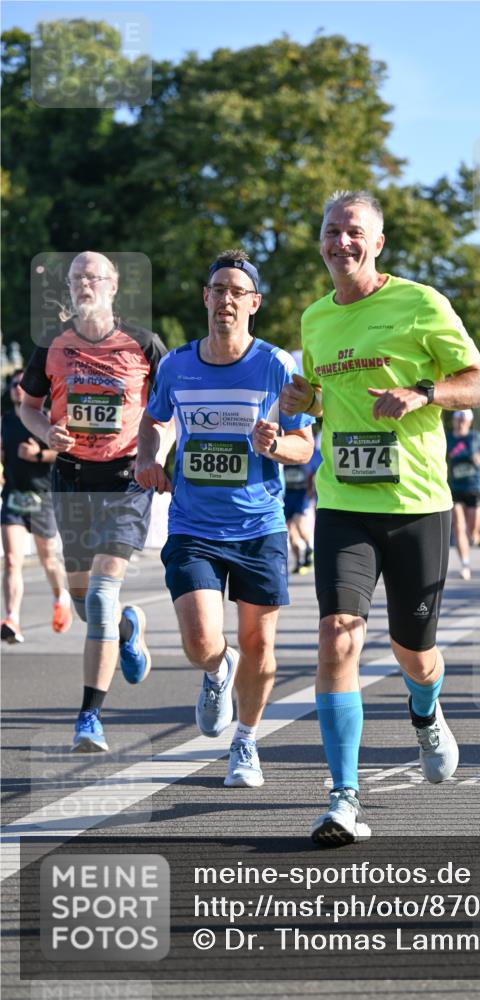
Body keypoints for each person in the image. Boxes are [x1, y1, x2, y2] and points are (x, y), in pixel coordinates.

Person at [280, 189, 480, 844]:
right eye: (329, 231)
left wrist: (422, 392)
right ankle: (343, 797)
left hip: (416, 505)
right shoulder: (315, 319)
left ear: (376, 243)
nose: (339, 242)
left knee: (415, 653)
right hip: (344, 500)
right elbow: (322, 397)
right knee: (338, 635)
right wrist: (303, 396)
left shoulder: (420, 304)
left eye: (352, 232)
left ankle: (426, 712)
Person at [136, 250, 314, 789]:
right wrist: (149, 459)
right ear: (206, 298)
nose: (227, 300)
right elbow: (153, 420)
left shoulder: (277, 365)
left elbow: (306, 446)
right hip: (193, 525)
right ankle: (217, 670)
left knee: (259, 645)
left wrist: (277, 444)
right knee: (198, 639)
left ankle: (246, 742)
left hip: (259, 526)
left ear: (254, 304)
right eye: (218, 289)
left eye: (238, 292)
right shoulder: (176, 365)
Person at [19, 252, 169, 751]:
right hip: (71, 481)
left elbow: (167, 411)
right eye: (76, 278)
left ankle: (89, 717)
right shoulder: (52, 345)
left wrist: (156, 454)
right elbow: (29, 406)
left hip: (126, 482)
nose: (85, 284)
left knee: (101, 599)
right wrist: (48, 433)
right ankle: (130, 627)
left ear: (113, 286)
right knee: (88, 607)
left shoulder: (144, 345)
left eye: (94, 277)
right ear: (68, 287)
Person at [1, 370, 71, 643]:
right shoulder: (5, 421)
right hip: (14, 497)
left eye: (22, 384)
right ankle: (11, 619)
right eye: (13, 385)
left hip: (43, 498)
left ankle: (60, 595)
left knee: (48, 559)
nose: (17, 388)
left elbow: (64, 451)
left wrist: (38, 454)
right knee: (11, 560)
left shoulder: (47, 420)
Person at [446, 409, 480, 578]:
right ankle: (465, 564)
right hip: (455, 487)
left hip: (474, 486)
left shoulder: (475, 437)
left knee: (472, 528)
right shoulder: (448, 438)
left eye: (463, 418)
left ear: (469, 421)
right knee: (458, 525)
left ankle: (474, 535)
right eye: (457, 418)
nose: (460, 422)